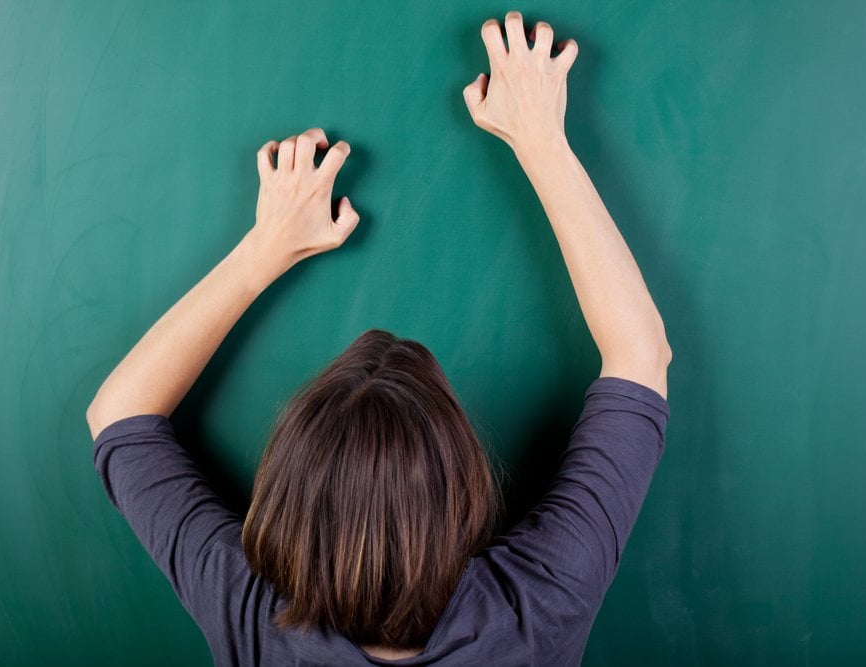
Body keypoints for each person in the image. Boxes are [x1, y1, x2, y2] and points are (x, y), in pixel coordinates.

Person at [87, 11, 671, 665]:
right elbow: (640, 353)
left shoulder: (253, 617)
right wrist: (540, 140)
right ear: (467, 492)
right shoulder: (534, 607)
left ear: (283, 507)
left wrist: (263, 249)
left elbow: (121, 414)